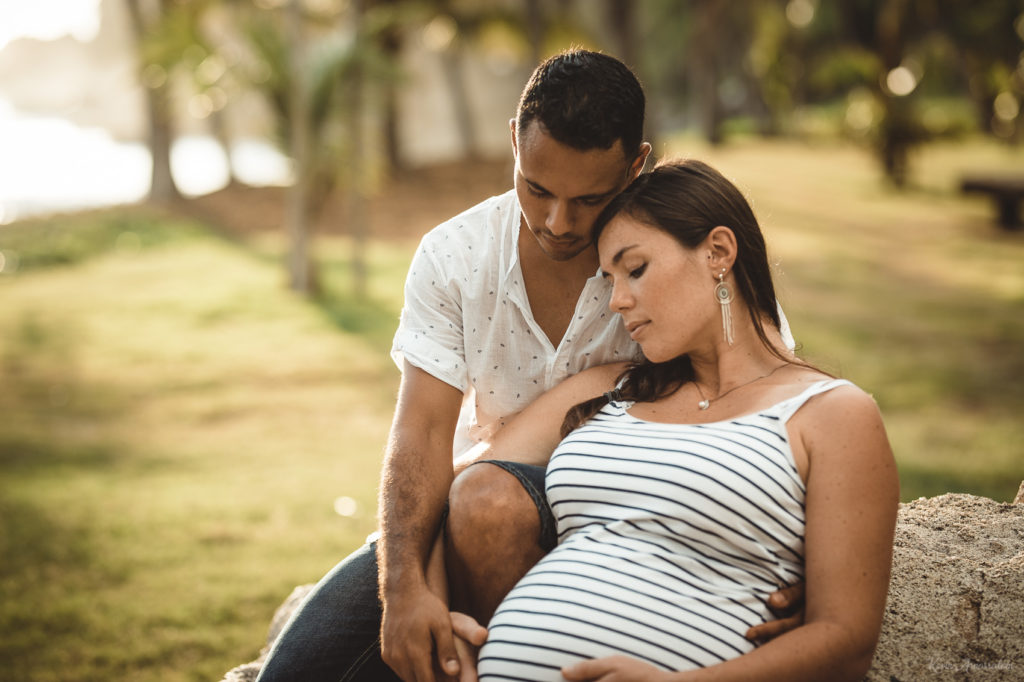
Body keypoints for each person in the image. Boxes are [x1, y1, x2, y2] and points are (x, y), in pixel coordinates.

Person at [255, 50, 797, 682]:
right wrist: (406, 585)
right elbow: (423, 430)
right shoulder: (454, 255)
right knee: (297, 669)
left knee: (491, 507)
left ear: (637, 166)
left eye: (589, 199)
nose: (556, 222)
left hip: (619, 506)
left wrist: (795, 567)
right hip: (469, 492)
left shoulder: (667, 257)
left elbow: (769, 398)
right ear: (514, 140)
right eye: (536, 188)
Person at [450, 159, 899, 681]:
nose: (616, 301)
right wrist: (437, 611)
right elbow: (462, 488)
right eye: (609, 279)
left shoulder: (833, 414)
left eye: (635, 269)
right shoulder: (610, 387)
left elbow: (845, 645)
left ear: (718, 253)